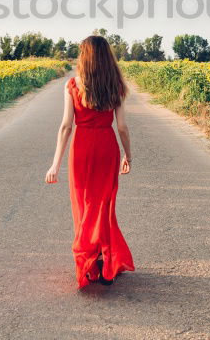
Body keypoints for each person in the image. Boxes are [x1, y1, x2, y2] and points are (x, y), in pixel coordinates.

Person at [45, 34, 135, 288]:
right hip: (107, 148)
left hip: (82, 149)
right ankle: (106, 265)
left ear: (83, 57)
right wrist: (128, 155)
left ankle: (90, 262)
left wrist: (55, 164)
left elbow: (65, 127)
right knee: (104, 206)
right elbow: (123, 127)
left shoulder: (73, 85)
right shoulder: (116, 85)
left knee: (84, 205)